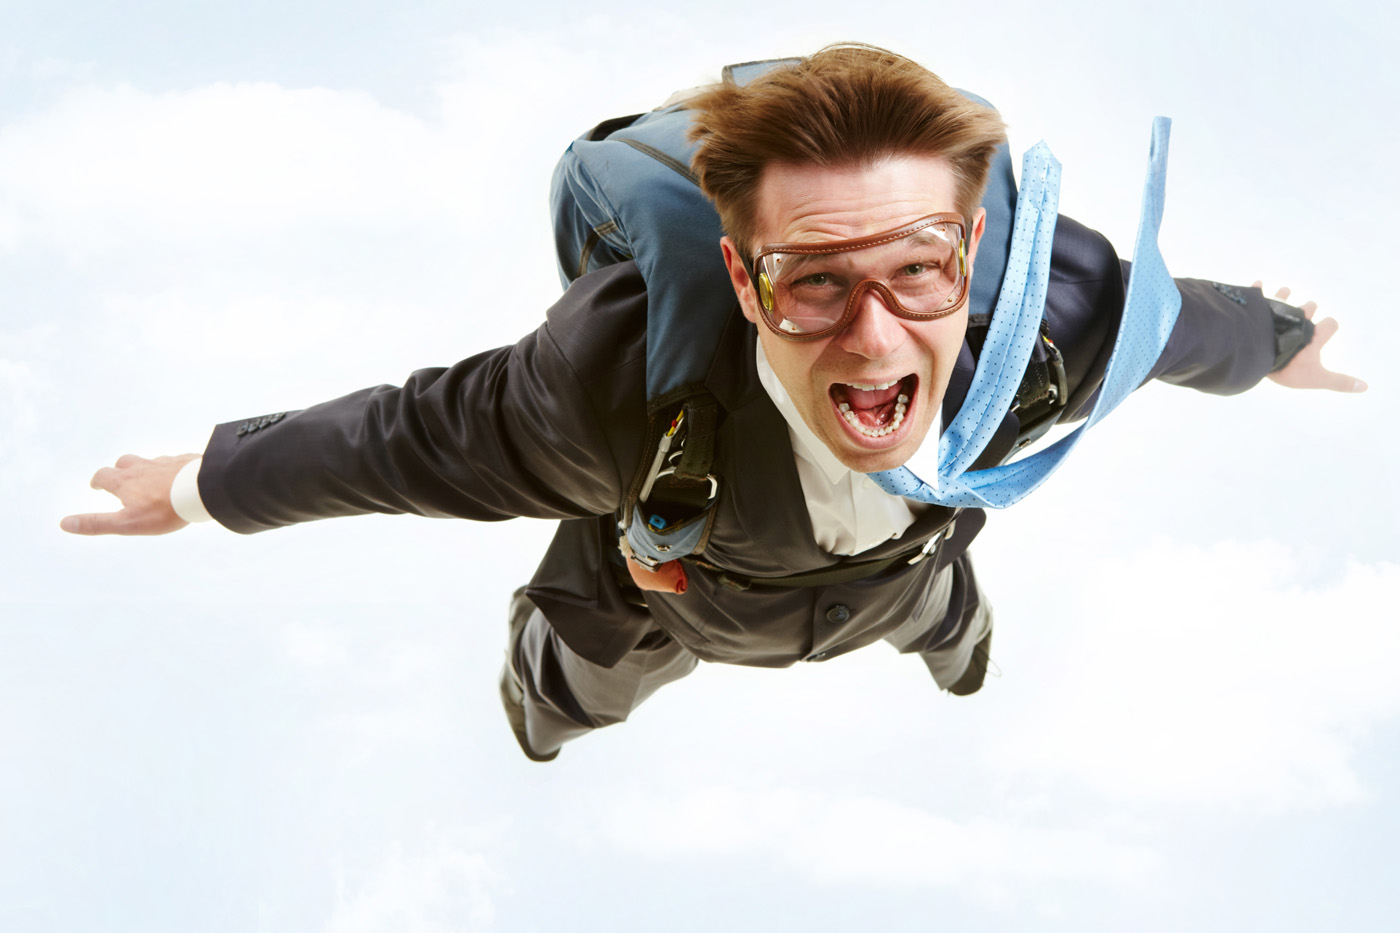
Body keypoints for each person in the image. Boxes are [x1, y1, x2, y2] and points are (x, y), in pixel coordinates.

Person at [60, 46, 1364, 763]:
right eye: (815, 281)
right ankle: (559, 692)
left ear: (974, 256)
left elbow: (1191, 326)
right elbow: (396, 441)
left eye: (916, 269)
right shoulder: (606, 382)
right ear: (740, 279)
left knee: (949, 625)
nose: (873, 337)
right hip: (672, 585)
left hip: (909, 565)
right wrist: (196, 484)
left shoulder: (1060, 327)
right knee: (559, 701)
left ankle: (950, 632)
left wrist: (1287, 340)